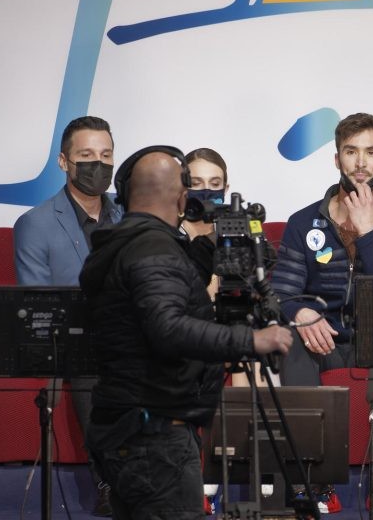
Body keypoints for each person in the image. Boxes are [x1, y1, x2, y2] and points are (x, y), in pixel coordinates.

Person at [79, 145, 293, 520]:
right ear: (181, 198)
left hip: (127, 427)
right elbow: (168, 328)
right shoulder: (153, 249)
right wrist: (252, 340)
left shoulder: (119, 243)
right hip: (154, 436)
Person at [270, 112, 373, 512]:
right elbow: (279, 293)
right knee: (293, 347)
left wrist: (369, 233)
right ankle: (308, 481)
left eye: (371, 152)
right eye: (351, 152)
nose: (360, 163)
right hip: (326, 340)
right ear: (337, 159)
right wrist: (301, 312)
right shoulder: (305, 222)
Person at [13, 115, 121, 517]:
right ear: (64, 161)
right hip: (76, 340)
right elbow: (37, 304)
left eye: (106, 155)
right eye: (87, 155)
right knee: (94, 367)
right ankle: (109, 481)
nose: (99, 165)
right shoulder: (35, 224)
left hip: (133, 333)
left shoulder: (129, 218)